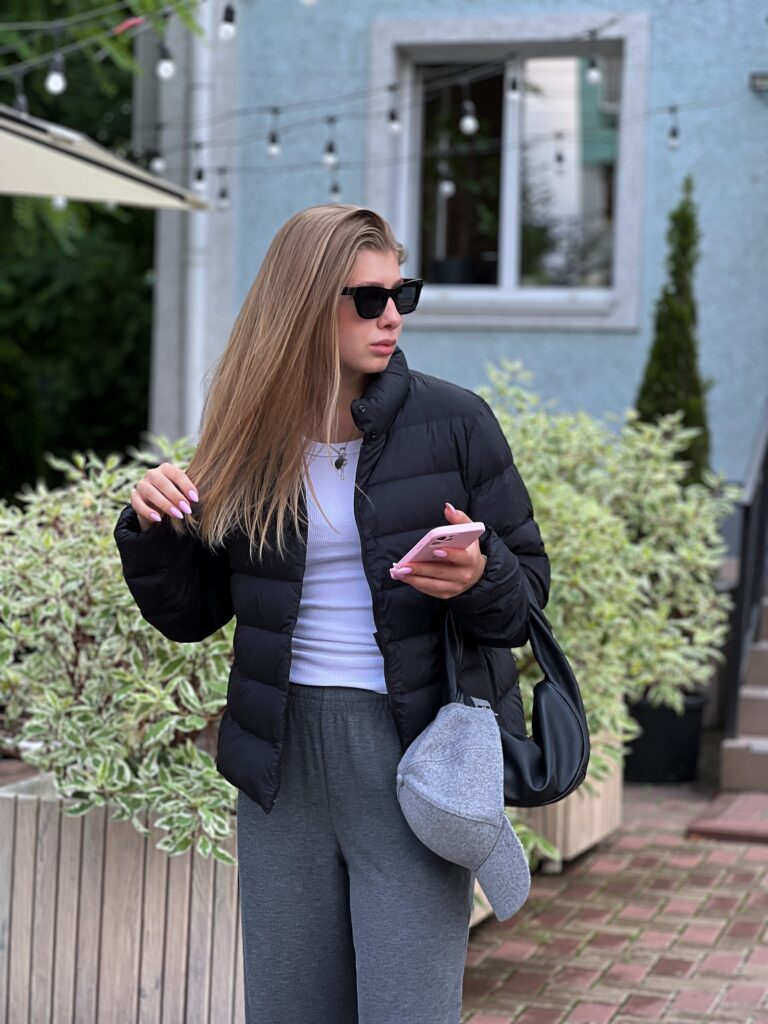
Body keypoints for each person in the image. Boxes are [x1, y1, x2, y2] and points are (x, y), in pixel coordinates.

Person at [113, 204, 550, 1024]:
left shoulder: (456, 423)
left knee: (408, 1009)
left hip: (409, 753)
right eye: (369, 298)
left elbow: (524, 600)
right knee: (290, 1008)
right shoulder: (248, 438)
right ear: (306, 304)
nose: (392, 317)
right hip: (280, 761)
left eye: (402, 294)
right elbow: (195, 613)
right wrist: (150, 530)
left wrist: (478, 576)